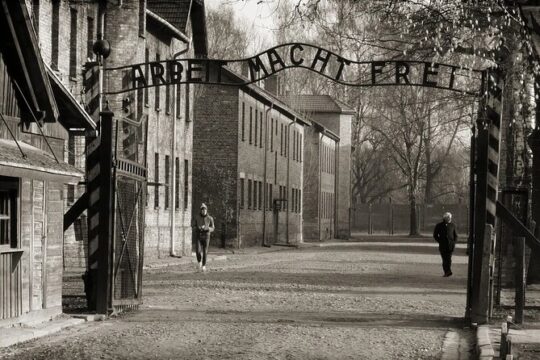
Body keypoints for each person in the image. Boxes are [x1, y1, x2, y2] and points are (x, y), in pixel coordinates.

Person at [433, 212, 458, 277]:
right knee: (444, 259)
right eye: (449, 217)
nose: (450, 218)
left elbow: (456, 235)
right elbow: (435, 235)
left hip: (450, 245)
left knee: (449, 259)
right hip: (443, 245)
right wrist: (440, 241)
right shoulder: (439, 225)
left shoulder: (453, 225)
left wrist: (453, 242)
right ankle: (447, 272)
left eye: (450, 217)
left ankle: (448, 271)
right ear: (445, 218)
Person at [193, 203, 215, 272]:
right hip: (198, 236)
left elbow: (213, 228)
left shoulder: (210, 218)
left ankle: (204, 265)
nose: (204, 211)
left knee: (205, 251)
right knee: (198, 251)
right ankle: (199, 261)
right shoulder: (197, 217)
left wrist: (207, 228)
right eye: (202, 210)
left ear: (206, 210)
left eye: (205, 210)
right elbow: (193, 226)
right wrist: (198, 228)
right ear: (201, 210)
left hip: (206, 236)